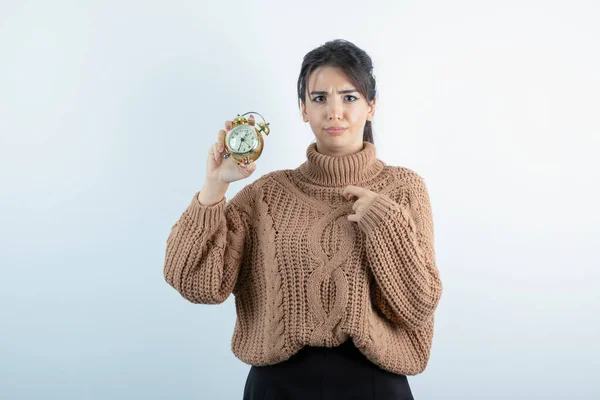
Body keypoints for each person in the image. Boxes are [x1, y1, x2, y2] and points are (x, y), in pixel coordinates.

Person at [164, 39, 443, 399]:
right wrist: (214, 185)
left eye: (349, 97)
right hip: (277, 385)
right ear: (303, 108)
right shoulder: (266, 195)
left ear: (372, 105)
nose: (334, 111)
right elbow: (193, 281)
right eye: (319, 98)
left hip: (373, 383)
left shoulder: (404, 189)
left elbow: (419, 304)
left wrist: (384, 222)